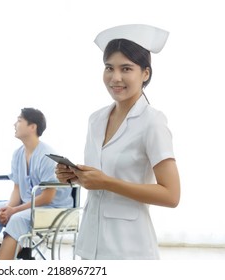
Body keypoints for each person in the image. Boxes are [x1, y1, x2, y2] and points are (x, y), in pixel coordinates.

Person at [55, 24, 181, 259]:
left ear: (145, 73)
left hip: (129, 248)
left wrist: (106, 182)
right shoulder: (96, 119)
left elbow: (171, 195)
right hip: (90, 242)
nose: (116, 78)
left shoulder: (152, 122)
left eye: (126, 69)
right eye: (109, 68)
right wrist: (76, 176)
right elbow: (101, 178)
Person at [0, 107, 73, 260]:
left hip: (52, 208)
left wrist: (14, 211)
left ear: (32, 127)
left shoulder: (48, 156)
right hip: (27, 204)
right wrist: (8, 209)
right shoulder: (18, 153)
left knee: (17, 219)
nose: (14, 124)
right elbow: (17, 188)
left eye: (19, 120)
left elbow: (47, 197)